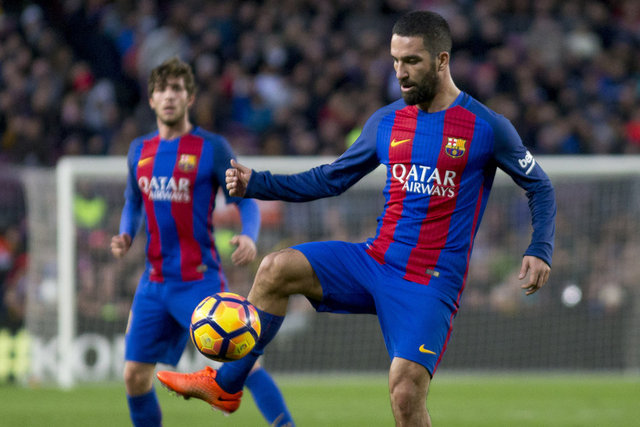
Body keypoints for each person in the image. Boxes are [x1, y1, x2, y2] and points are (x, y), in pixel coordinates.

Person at [157, 11, 556, 426]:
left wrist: (540, 248)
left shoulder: (487, 126)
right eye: (395, 61)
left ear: (442, 60)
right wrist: (257, 183)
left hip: (428, 281)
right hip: (376, 260)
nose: (400, 73)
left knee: (405, 392)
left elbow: (540, 186)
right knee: (276, 269)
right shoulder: (387, 121)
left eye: (412, 61)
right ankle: (226, 385)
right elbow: (331, 179)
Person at [111, 57, 294, 427]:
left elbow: (246, 201)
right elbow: (133, 201)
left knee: (246, 364)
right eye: (162, 90)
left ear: (190, 97)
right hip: (153, 283)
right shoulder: (138, 150)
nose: (169, 96)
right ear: (151, 99)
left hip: (199, 281)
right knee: (134, 376)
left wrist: (249, 235)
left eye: (177, 89)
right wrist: (126, 232)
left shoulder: (211, 148)